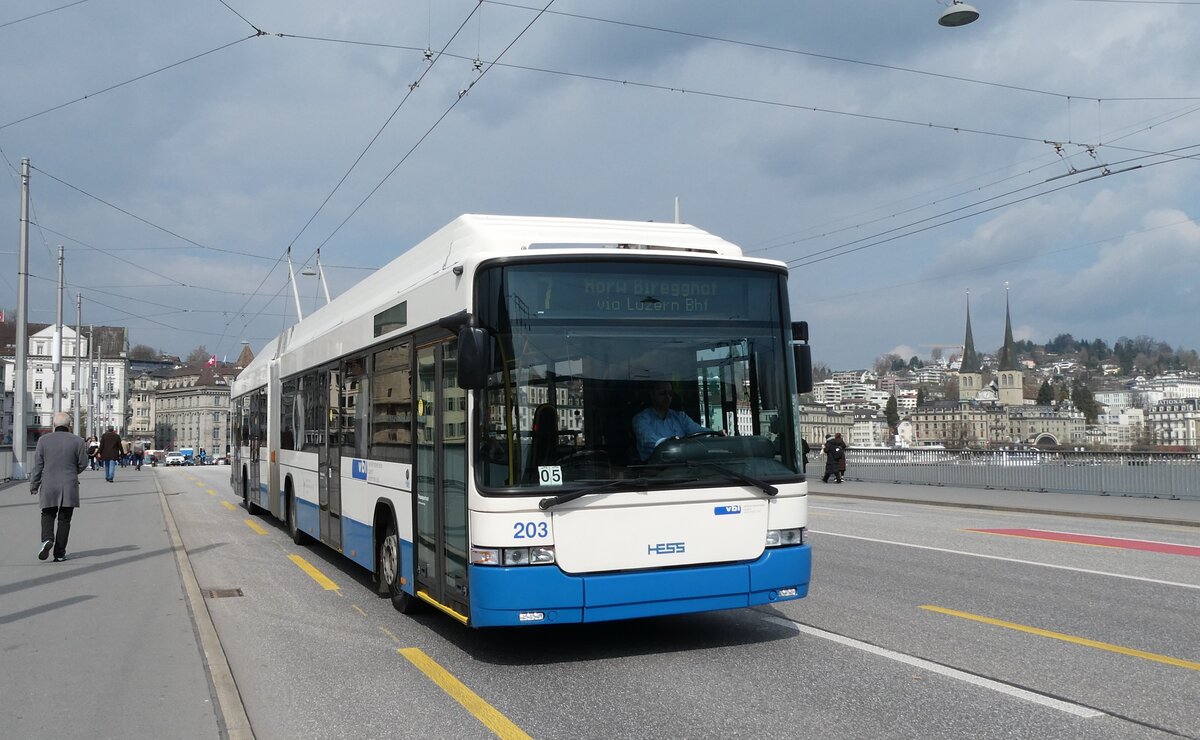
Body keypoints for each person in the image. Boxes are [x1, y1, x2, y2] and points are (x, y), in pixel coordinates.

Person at [30, 411, 90, 562]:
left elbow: (38, 465)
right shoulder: (78, 441)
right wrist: (73, 471)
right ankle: (60, 553)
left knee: (47, 514)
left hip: (49, 483)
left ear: (54, 425)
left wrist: (34, 484)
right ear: (69, 426)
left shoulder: (43, 440)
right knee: (64, 519)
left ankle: (47, 539)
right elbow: (83, 463)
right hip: (69, 484)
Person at [632, 381, 712, 461]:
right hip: (655, 467)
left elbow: (698, 431)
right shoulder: (641, 419)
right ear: (652, 395)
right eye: (662, 394)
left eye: (670, 394)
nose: (667, 397)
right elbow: (648, 440)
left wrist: (715, 434)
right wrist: (670, 443)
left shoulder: (680, 417)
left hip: (683, 464)